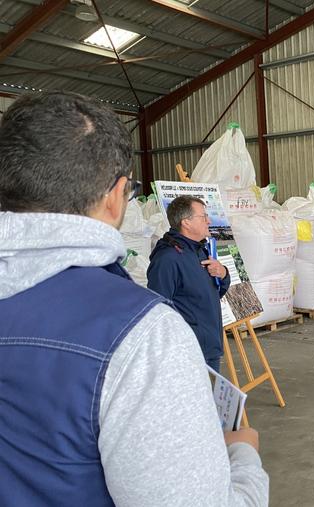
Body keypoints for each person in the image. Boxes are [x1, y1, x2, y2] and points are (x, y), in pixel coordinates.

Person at [0, 91, 268, 506]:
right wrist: (244, 457)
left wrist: (219, 277)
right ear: (116, 194)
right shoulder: (140, 333)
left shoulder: (196, 260)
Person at [147, 195, 230, 372]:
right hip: (188, 352)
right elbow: (158, 311)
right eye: (203, 216)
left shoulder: (200, 250)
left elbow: (213, 293)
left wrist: (223, 274)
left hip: (209, 347)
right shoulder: (168, 259)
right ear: (186, 222)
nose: (209, 221)